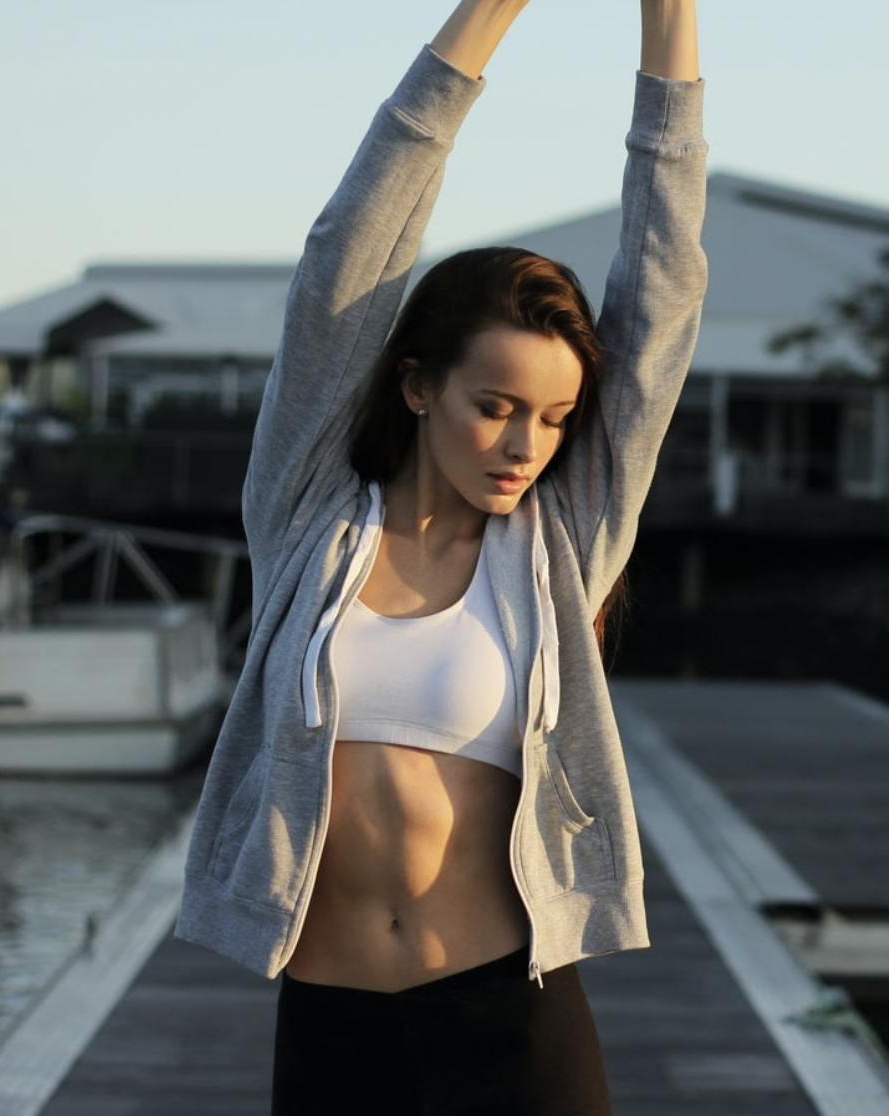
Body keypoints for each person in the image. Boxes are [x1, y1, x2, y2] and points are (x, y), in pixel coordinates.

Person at [173, 0, 706, 1111]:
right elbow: (341, 262)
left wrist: (668, 27)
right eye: (495, 406)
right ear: (418, 387)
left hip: (507, 1015)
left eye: (555, 418)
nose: (525, 444)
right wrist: (489, 14)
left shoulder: (561, 547)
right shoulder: (309, 520)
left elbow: (660, 301)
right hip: (329, 1025)